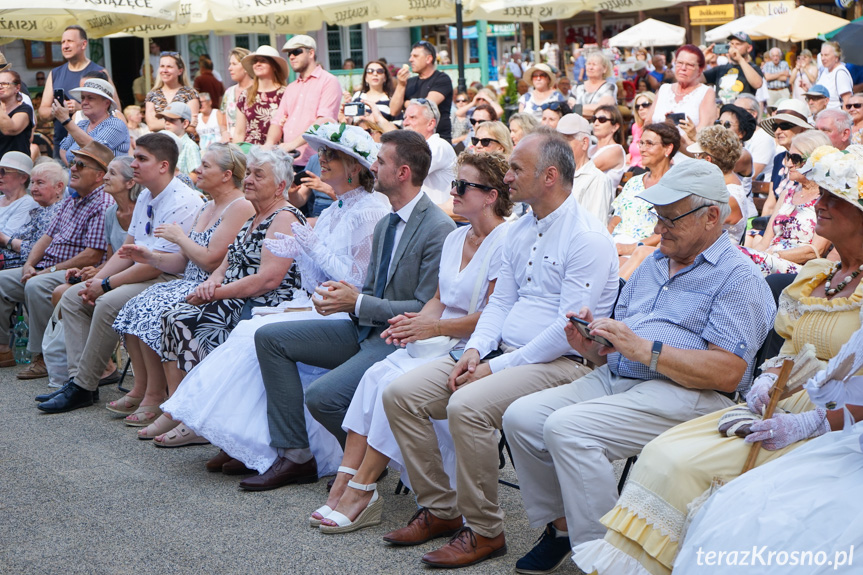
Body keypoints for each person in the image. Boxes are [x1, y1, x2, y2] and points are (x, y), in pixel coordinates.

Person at [581, 145, 863, 575]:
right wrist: (768, 380)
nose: (818, 203)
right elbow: (786, 350)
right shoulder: (820, 276)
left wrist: (813, 423)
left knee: (689, 471)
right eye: (820, 193)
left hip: (840, 428)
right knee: (660, 455)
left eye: (834, 198)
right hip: (779, 405)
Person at [502, 158, 774, 575]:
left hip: (692, 395)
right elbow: (620, 347)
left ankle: (606, 561)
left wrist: (645, 349)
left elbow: (729, 372)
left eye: (670, 218)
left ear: (712, 218)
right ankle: (563, 529)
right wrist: (592, 346)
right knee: (520, 417)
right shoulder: (654, 262)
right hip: (622, 376)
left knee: (568, 430)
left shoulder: (739, 277)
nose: (659, 227)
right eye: (657, 216)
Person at [381, 130, 618, 568]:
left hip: (563, 362)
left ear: (549, 176)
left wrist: (496, 366)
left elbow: (567, 328)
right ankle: (441, 509)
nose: (506, 176)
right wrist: (476, 350)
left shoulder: (587, 236)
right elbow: (500, 302)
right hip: (502, 352)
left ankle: (485, 531)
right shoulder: (520, 227)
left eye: (515, 168)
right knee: (401, 394)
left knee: (467, 406)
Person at [160, 124, 388, 474]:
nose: (321, 161)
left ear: (355, 167)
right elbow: (314, 280)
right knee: (249, 331)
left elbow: (357, 282)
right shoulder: (333, 210)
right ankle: (244, 442)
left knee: (255, 333)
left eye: (331, 156)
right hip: (321, 306)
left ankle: (286, 451)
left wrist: (312, 247)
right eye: (322, 154)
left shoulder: (370, 210)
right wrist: (303, 255)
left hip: (349, 316)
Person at [236, 130, 455, 491]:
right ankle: (296, 454)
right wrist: (344, 296)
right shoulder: (387, 221)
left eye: (381, 161)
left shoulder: (438, 227)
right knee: (269, 337)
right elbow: (368, 287)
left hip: (397, 338)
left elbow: (423, 308)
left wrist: (355, 301)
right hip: (363, 327)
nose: (373, 166)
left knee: (322, 396)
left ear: (402, 173)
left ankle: (366, 463)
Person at [313, 152, 512, 534]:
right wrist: (414, 323)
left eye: (463, 186)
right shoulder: (456, 236)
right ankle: (345, 481)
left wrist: (432, 329)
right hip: (438, 338)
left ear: (490, 196)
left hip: (473, 346)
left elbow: (494, 316)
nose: (452, 192)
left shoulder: (504, 241)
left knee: (391, 384)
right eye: (454, 184)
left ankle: (361, 490)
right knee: (374, 375)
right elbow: (439, 299)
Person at [38, 133, 203, 414]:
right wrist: (95, 281)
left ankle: (83, 385)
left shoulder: (183, 199)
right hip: (145, 272)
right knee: (74, 297)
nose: (134, 163)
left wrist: (106, 283)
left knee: (106, 302)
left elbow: (158, 263)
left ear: (163, 166)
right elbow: (127, 250)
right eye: (135, 157)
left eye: (141, 158)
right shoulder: (146, 196)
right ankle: (80, 382)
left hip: (170, 277)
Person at [677, 336, 863, 575]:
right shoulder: (798, 299)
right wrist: (767, 378)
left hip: (835, 422)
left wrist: (810, 422)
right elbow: (793, 347)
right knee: (743, 506)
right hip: (791, 402)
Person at [154, 147, 303, 442]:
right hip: (232, 296)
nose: (247, 179)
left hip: (262, 304)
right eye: (248, 172)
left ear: (281, 186)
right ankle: (182, 409)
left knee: (187, 321)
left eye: (258, 175)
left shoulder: (284, 217)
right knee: (172, 316)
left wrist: (216, 294)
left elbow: (268, 280)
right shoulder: (255, 216)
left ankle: (199, 418)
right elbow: (227, 262)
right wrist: (213, 282)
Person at [108, 144, 254, 432]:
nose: (197, 170)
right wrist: (151, 257)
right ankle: (145, 390)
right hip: (190, 280)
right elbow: (184, 261)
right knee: (137, 304)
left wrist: (179, 237)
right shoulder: (208, 205)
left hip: (213, 287)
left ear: (226, 175)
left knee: (158, 310)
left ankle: (169, 402)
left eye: (206, 166)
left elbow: (212, 261)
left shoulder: (240, 206)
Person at [0, 143, 112, 372]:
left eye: (81, 164)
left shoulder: (103, 203)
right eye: (72, 163)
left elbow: (92, 254)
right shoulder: (72, 200)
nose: (73, 168)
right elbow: (46, 238)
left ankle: (43, 357)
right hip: (47, 267)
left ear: (100, 175)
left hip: (76, 273)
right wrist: (29, 264)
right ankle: (4, 349)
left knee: (36, 285)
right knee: (3, 281)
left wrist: (46, 271)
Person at [740, 130, 831, 275]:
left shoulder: (827, 200)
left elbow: (816, 250)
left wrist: (774, 255)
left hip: (797, 267)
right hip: (769, 260)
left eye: (795, 158)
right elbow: (765, 242)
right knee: (734, 256)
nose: (788, 164)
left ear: (814, 161)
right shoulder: (786, 195)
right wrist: (751, 256)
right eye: (788, 156)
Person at [265, 36, 342, 168]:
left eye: (296, 52)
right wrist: (269, 143)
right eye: (289, 54)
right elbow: (277, 121)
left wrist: (292, 144)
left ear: (311, 53)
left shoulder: (329, 81)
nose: (291, 57)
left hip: (317, 160)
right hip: (289, 159)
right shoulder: (291, 87)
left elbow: (323, 121)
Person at [37, 26, 109, 158]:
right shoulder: (55, 73)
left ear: (83, 44)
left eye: (70, 41)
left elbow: (114, 109)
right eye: (63, 42)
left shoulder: (99, 72)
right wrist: (59, 110)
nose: (65, 46)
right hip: (62, 146)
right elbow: (42, 112)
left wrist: (80, 108)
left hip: (93, 147)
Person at [609, 123, 678, 259]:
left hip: (644, 251)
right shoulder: (634, 182)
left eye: (649, 144)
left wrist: (632, 247)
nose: (642, 149)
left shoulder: (675, 187)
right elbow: (614, 222)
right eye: (641, 143)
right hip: (616, 246)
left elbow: (669, 231)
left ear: (668, 149)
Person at [0, 161, 65, 271]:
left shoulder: (56, 212)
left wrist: (6, 240)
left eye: (40, 183)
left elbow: (38, 250)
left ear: (58, 187)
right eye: (33, 182)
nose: (33, 188)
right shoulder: (40, 209)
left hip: (22, 266)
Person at [688, 125, 748, 242]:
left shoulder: (728, 197)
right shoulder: (725, 182)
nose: (695, 160)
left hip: (719, 257)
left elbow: (692, 227)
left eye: (696, 156)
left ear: (707, 160)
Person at [650, 45, 716, 145]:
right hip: (657, 152)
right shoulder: (664, 89)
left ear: (700, 70)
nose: (683, 68)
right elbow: (648, 122)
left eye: (690, 65)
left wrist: (672, 142)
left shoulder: (706, 92)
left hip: (687, 154)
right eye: (680, 63)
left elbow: (704, 130)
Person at [53, 78, 129, 166]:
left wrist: (65, 120)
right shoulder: (81, 125)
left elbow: (95, 150)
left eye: (90, 98)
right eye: (82, 98)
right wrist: (75, 171)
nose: (84, 102)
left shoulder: (116, 124)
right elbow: (63, 150)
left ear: (107, 103)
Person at [760, 98, 815, 216]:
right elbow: (771, 202)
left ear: (802, 129)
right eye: (775, 126)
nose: (778, 131)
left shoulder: (811, 160)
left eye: (785, 125)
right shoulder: (779, 158)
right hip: (774, 222)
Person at [390, 41, 454, 141]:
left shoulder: (442, 79)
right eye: (411, 56)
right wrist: (401, 85)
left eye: (415, 56)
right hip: (412, 140)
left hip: (436, 139)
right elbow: (393, 111)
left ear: (428, 59)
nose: (410, 60)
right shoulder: (409, 82)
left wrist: (405, 103)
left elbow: (426, 107)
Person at [401, 99, 457, 213]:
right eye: (405, 118)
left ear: (430, 124)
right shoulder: (414, 148)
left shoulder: (438, 145)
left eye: (412, 117)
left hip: (438, 221)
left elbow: (406, 174)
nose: (405, 122)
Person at [557, 113, 613, 224]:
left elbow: (595, 227)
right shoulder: (555, 175)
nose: (559, 145)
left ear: (584, 143)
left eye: (566, 140)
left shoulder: (597, 180)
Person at [234, 46, 287, 146]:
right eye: (255, 61)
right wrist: (235, 158)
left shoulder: (285, 93)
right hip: (250, 153)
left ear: (274, 66)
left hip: (275, 152)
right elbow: (239, 133)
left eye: (263, 61)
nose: (258, 64)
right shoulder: (245, 95)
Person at [144, 52, 199, 133]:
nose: (165, 70)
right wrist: (178, 123)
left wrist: (160, 123)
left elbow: (191, 128)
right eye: (162, 66)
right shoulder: (152, 95)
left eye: (169, 67)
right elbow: (151, 125)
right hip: (160, 143)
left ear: (180, 71)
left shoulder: (190, 93)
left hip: (183, 144)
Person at [703, 32, 764, 104]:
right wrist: (702, 60)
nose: (734, 47)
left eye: (738, 44)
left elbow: (757, 84)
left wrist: (740, 59)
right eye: (731, 44)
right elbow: (696, 79)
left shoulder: (753, 68)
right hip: (722, 112)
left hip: (742, 112)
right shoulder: (720, 69)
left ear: (749, 48)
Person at [733, 94, 774, 183]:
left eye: (740, 110)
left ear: (753, 114)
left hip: (756, 192)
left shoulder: (763, 137)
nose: (734, 115)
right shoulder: (733, 135)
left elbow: (752, 174)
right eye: (733, 111)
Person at [158, 102, 201, 182]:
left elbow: (196, 176)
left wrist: (175, 181)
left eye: (172, 120)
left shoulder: (190, 146)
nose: (167, 123)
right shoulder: (162, 145)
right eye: (166, 119)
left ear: (185, 123)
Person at [588, 104, 627, 189]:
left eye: (602, 120)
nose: (596, 123)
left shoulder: (616, 150)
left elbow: (585, 170)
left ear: (615, 127)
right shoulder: (590, 148)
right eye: (594, 119)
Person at [571, 52, 618, 118]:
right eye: (588, 64)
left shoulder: (609, 87)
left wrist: (576, 109)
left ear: (604, 69)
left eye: (594, 64)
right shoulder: (577, 87)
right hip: (577, 126)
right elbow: (570, 108)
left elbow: (602, 110)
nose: (590, 67)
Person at [0, 151, 37, 233]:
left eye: (4, 171)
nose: (0, 176)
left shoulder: (27, 203)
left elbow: (9, 236)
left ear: (23, 178)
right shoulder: (1, 198)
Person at [0, 69, 33, 157]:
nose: (0, 87)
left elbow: (10, 129)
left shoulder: (24, 109)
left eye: (5, 84)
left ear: (17, 88)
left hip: (16, 165)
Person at [221, 47, 252, 138]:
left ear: (246, 67)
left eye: (234, 64)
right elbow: (223, 124)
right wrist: (224, 133)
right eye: (230, 64)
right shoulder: (228, 93)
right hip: (233, 145)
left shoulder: (258, 90)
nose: (229, 68)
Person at [816, 42, 852, 111]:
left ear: (836, 57)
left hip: (835, 118)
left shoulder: (840, 73)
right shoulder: (825, 70)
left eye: (826, 55)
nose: (823, 58)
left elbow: (847, 102)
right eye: (821, 55)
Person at [628, 92, 655, 168]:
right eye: (637, 106)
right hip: (632, 169)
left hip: (648, 170)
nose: (640, 108)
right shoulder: (636, 127)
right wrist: (630, 155)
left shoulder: (660, 128)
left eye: (645, 105)